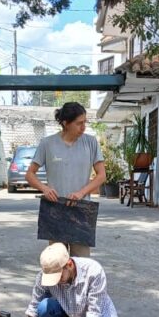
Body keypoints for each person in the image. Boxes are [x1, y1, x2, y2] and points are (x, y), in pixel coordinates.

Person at [26, 102, 105, 257]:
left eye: (85, 122)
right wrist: (45, 189)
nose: (83, 127)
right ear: (65, 123)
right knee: (57, 263)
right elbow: (30, 174)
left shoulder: (90, 142)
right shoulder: (47, 143)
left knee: (81, 263)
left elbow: (102, 175)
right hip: (55, 209)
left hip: (81, 210)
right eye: (79, 123)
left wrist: (81, 193)